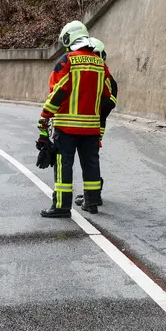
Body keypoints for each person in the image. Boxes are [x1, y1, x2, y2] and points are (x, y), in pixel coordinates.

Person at [37, 21, 115, 217]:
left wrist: (45, 116)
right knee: (91, 164)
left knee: (64, 165)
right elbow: (107, 96)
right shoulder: (101, 64)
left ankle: (62, 206)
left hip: (67, 128)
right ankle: (92, 202)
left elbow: (59, 91)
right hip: (91, 129)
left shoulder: (67, 61)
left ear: (68, 39)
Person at [74, 38, 117, 208]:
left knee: (90, 161)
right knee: (88, 161)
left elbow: (109, 103)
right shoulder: (96, 75)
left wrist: (92, 112)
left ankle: (94, 195)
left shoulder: (108, 79)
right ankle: (90, 194)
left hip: (95, 126)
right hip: (89, 125)